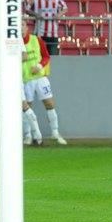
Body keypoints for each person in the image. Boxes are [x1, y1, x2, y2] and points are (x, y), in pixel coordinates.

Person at [21, 18, 67, 146]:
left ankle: (55, 133)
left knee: (49, 103)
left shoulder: (36, 40)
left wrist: (40, 66)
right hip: (25, 80)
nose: (20, 27)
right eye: (18, 25)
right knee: (27, 108)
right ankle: (28, 136)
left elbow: (46, 56)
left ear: (27, 27)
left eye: (22, 24)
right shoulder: (14, 44)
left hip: (40, 78)